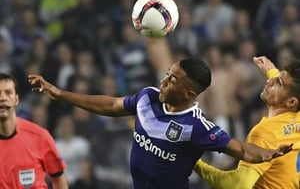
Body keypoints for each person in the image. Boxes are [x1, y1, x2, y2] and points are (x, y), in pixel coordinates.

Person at [28, 57, 292, 189]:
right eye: (168, 74)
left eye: (173, 80)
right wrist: (60, 93)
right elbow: (110, 105)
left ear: (189, 94)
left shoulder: (197, 127)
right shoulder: (147, 98)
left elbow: (242, 149)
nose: (164, 81)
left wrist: (268, 154)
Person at [194, 55, 300, 188]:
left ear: (291, 102)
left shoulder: (265, 134)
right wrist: (272, 71)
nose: (269, 81)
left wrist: (197, 165)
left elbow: (239, 185)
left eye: (278, 82)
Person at [0, 73, 68, 189]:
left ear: (16, 99)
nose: (2, 98)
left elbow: (59, 180)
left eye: (8, 92)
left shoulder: (40, 137)